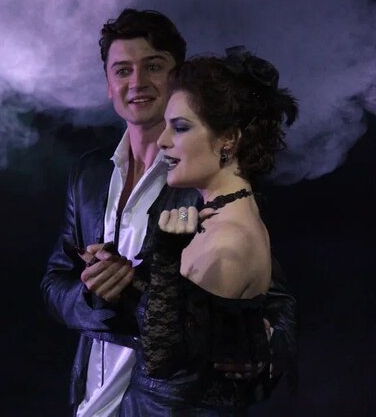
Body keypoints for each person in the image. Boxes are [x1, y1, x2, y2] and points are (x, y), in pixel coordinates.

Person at [40, 9, 295, 416]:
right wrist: (94, 296)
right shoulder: (88, 174)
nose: (137, 82)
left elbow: (272, 303)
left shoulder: (209, 182)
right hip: (93, 404)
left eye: (153, 66)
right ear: (108, 84)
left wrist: (261, 355)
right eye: (122, 70)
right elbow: (55, 282)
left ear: (177, 76)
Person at [117, 48, 299, 414]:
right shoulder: (222, 217)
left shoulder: (229, 239)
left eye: (180, 127)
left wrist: (165, 259)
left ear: (228, 139)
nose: (163, 140)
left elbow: (162, 361)